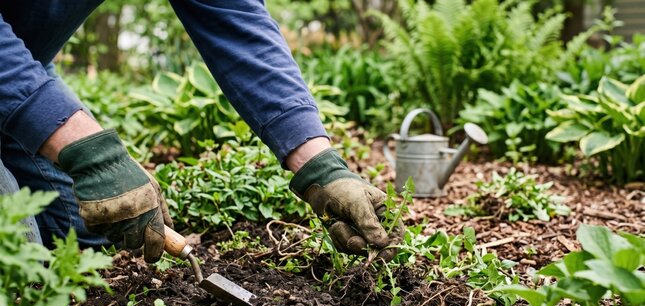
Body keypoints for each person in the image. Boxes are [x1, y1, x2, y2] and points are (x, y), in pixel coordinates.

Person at [0, 1, 400, 264]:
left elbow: (236, 23)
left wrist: (321, 168)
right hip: (18, 82)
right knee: (19, 266)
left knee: (89, 240)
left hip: (20, 83)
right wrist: (87, 149)